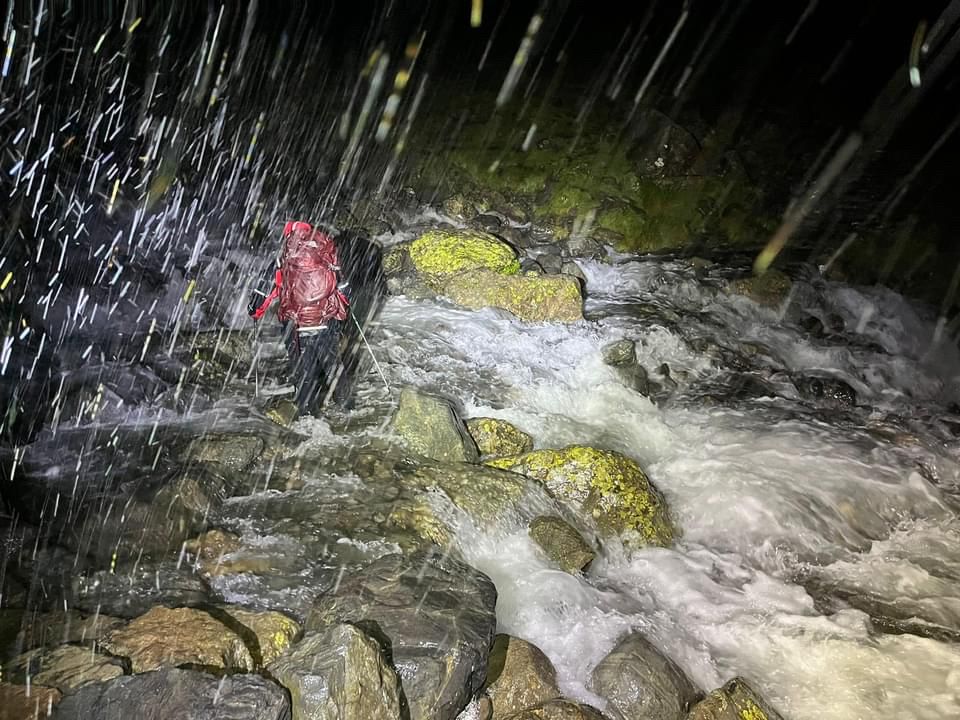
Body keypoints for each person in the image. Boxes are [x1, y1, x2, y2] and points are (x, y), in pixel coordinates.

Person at [248, 221, 350, 414]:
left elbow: (266, 290)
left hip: (296, 325)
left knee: (303, 371)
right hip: (324, 321)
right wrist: (342, 309)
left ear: (289, 235)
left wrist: (255, 310)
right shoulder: (326, 252)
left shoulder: (284, 258)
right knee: (333, 365)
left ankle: (308, 415)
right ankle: (347, 407)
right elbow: (342, 287)